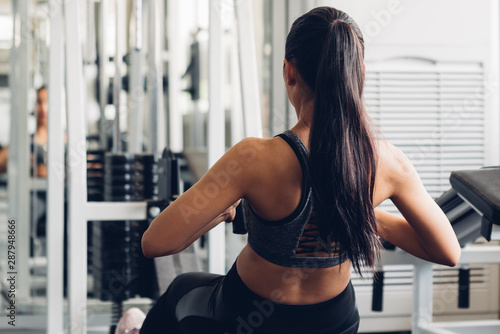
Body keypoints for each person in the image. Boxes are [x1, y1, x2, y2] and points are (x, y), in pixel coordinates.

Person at [128, 7, 460, 334]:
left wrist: (220, 213)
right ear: (359, 72)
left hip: (250, 318)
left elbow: (154, 244)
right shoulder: (388, 162)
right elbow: (448, 252)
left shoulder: (253, 157)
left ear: (289, 72)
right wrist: (352, 213)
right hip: (335, 323)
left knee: (182, 289)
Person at [0, 85, 49, 177]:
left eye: (47, 101)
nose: (43, 108)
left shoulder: (67, 141)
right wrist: (19, 164)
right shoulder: (25, 142)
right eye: (39, 102)